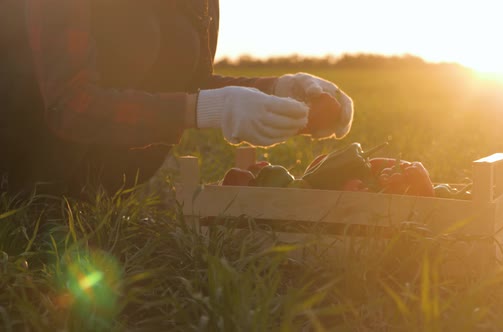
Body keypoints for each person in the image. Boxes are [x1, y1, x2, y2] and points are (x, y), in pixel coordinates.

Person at [0, 0, 354, 198]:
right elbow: (69, 104)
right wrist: (207, 108)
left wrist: (276, 88)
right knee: (137, 31)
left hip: (97, 183)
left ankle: (81, 189)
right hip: (19, 159)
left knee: (170, 38)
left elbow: (191, 82)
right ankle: (37, 194)